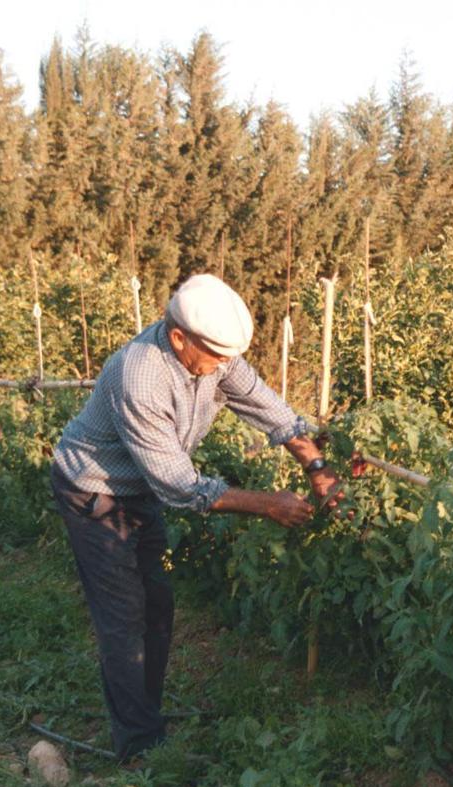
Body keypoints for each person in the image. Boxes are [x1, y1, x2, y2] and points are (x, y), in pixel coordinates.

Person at [49, 273, 339, 760]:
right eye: (218, 356)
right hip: (94, 495)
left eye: (230, 357)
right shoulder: (140, 375)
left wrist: (318, 468)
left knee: (157, 604)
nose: (227, 367)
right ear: (179, 337)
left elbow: (272, 411)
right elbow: (179, 485)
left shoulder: (213, 357)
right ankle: (140, 749)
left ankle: (147, 716)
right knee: (124, 617)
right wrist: (269, 504)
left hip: (140, 493)